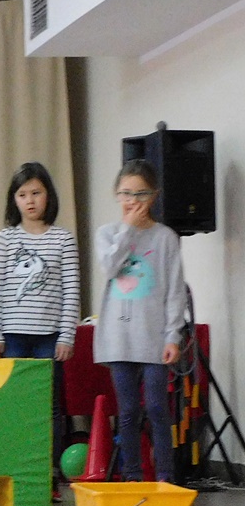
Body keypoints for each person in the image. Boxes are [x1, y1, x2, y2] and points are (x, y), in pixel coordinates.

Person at [0, 162, 80, 501]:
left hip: (49, 338)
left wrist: (66, 335)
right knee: (13, 405)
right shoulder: (5, 238)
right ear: (14, 199)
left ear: (48, 196)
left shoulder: (63, 239)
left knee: (49, 408)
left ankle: (47, 476)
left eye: (36, 193)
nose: (30, 200)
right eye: (23, 194)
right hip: (12, 336)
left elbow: (71, 290)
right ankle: (10, 473)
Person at [93, 159, 185, 483]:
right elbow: (109, 268)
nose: (133, 201)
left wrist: (173, 336)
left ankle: (165, 476)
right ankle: (132, 476)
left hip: (154, 339)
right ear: (117, 195)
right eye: (126, 193)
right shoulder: (107, 233)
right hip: (119, 339)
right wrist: (128, 229)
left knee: (158, 408)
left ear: (154, 195)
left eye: (141, 193)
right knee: (128, 411)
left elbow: (175, 290)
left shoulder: (166, 238)